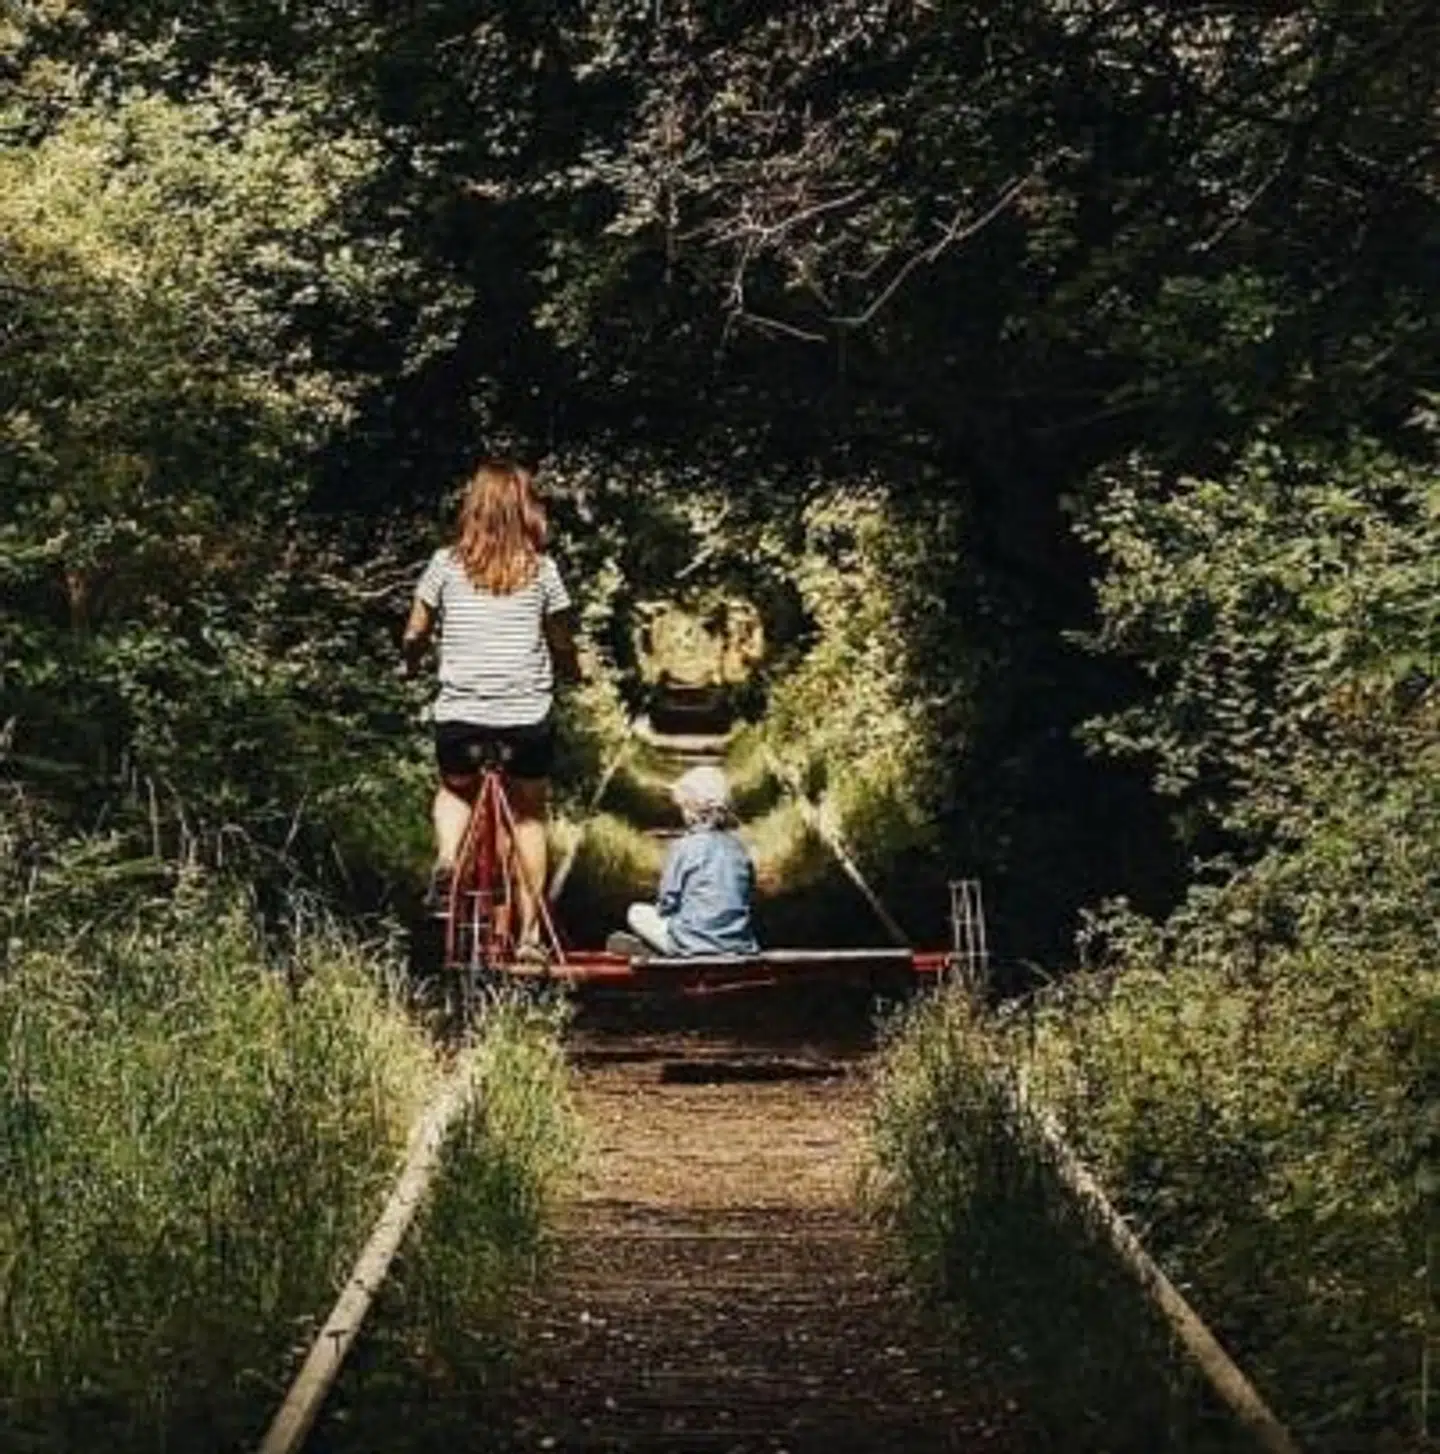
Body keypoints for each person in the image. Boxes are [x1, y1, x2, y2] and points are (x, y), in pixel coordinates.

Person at [401, 460, 578, 960]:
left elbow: (415, 631)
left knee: (455, 788)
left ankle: (445, 861)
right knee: (528, 815)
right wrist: (572, 670)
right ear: (527, 511)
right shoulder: (543, 571)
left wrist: (411, 663)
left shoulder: (444, 565)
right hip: (525, 718)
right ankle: (529, 938)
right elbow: (562, 641)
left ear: (472, 509)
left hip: (460, 715)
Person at [610, 765, 759, 958]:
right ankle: (670, 947)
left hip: (689, 944)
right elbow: (747, 895)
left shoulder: (684, 847)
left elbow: (667, 902)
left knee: (636, 912)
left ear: (690, 810)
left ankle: (660, 950)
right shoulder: (739, 849)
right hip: (738, 945)